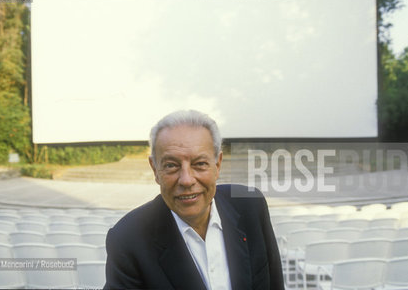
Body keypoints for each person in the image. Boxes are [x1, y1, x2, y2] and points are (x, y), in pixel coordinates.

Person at [104, 110, 284, 290]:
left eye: (199, 164)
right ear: (155, 170)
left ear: (217, 165)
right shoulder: (127, 239)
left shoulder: (251, 206)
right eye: (171, 165)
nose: (187, 180)